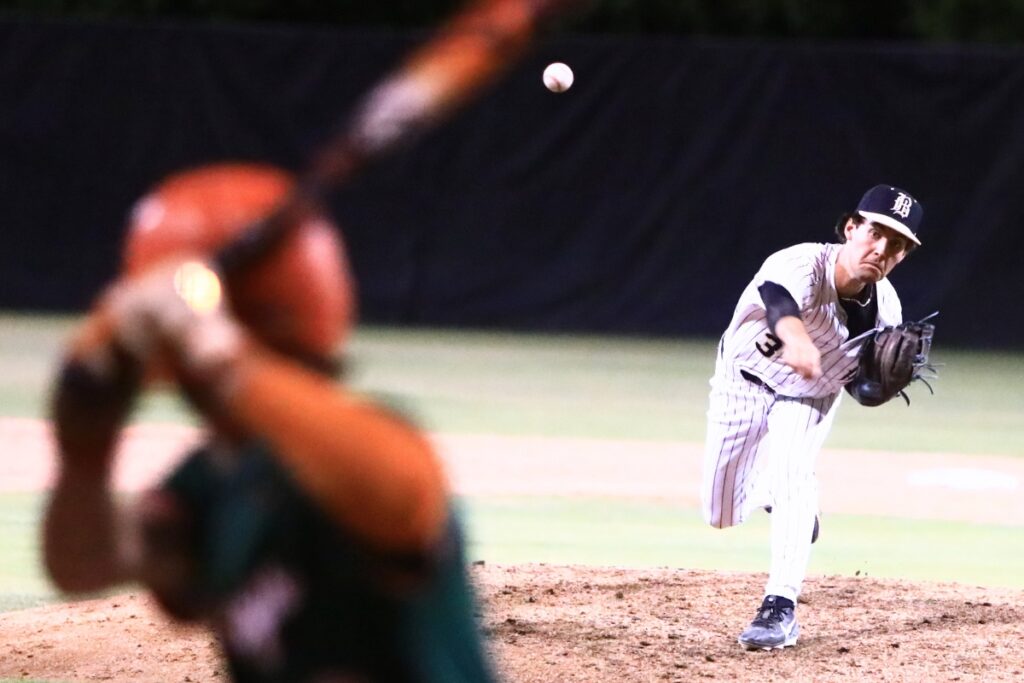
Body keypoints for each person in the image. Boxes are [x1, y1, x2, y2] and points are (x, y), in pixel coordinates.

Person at [42, 163, 499, 682]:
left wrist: (222, 358)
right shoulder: (210, 480)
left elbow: (402, 495)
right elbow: (82, 565)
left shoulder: (366, 445)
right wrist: (85, 444)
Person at [700, 184, 923, 651]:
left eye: (897, 244)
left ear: (903, 255)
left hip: (808, 398)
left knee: (792, 474)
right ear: (851, 228)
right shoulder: (802, 262)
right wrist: (795, 337)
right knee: (719, 513)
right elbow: (778, 297)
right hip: (742, 381)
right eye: (875, 232)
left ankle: (780, 609)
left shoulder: (888, 311)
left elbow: (862, 387)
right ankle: (778, 498)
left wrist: (875, 388)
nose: (882, 249)